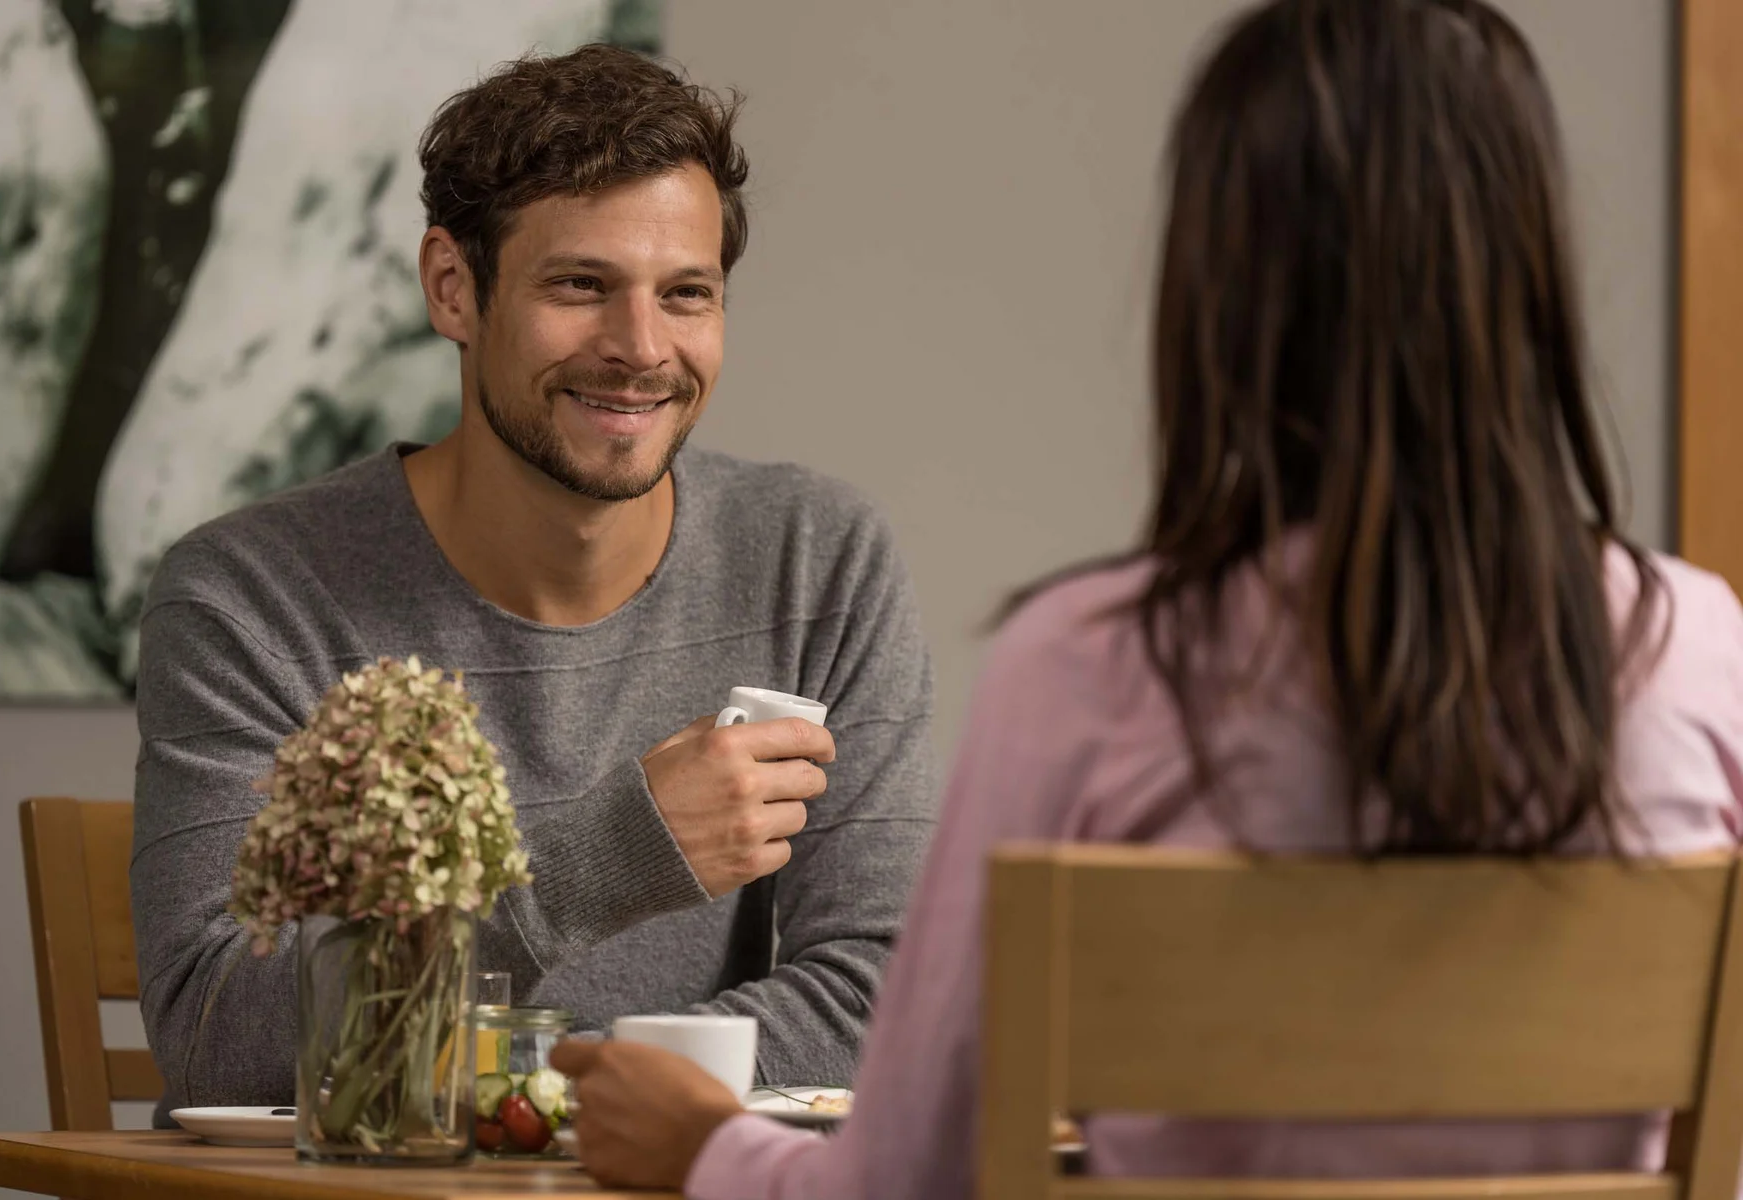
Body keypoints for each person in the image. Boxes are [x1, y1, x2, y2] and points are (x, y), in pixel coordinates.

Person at [553, 0, 1743, 1193]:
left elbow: (903, 1182)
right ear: (1534, 270)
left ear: (1218, 281)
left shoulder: (1090, 666)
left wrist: (707, 1146)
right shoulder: (1699, 648)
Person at [129, 45, 938, 1122]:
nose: (642, 348)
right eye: (579, 287)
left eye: (686, 294)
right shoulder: (249, 602)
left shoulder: (820, 560)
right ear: (454, 287)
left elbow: (886, 1002)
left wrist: (542, 1093)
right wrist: (608, 859)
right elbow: (217, 1040)